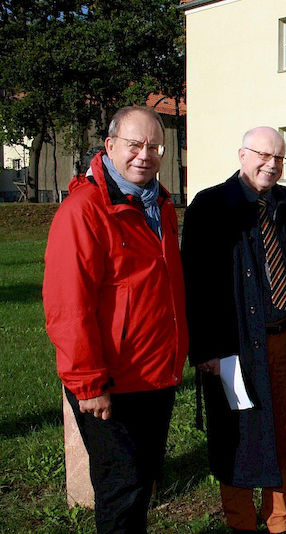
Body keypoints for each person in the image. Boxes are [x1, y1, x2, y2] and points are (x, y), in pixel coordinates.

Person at [43, 105, 188, 533]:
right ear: (109, 146)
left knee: (141, 483)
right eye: (134, 145)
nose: (145, 155)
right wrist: (88, 383)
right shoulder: (84, 210)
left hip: (155, 374)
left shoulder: (160, 204)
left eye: (154, 146)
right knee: (120, 491)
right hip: (110, 382)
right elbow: (68, 305)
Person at [181, 127, 286, 534]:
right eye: (263, 155)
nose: (272, 164)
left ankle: (280, 520)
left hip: (285, 342)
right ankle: (241, 523)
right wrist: (206, 349)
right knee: (238, 437)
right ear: (242, 154)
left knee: (284, 431)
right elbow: (194, 284)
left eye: (280, 157)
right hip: (234, 348)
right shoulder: (210, 206)